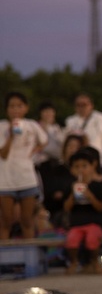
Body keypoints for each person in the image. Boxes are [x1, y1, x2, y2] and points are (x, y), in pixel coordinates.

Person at [0, 92, 48, 239]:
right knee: (6, 220)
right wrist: (11, 136)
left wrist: (36, 150)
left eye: (19, 106)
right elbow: (3, 154)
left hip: (27, 178)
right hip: (5, 181)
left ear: (26, 108)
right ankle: (4, 258)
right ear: (7, 109)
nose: (15, 110)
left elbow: (44, 140)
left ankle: (30, 257)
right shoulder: (2, 126)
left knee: (27, 220)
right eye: (12, 106)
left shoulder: (32, 125)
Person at [63, 147, 102, 274]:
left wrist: (89, 195)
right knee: (71, 240)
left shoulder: (97, 185)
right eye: (77, 166)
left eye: (84, 166)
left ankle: (94, 261)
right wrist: (73, 195)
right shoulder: (70, 185)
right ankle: (74, 262)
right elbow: (66, 208)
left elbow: (100, 207)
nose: (81, 169)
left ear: (92, 167)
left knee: (92, 239)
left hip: (94, 223)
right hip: (76, 223)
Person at [64, 94, 102, 166]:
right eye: (78, 105)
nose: (81, 108)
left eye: (84, 105)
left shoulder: (100, 118)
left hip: (97, 159)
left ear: (91, 105)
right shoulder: (70, 121)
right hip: (78, 161)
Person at [33, 101, 64, 167]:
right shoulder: (35, 127)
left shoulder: (57, 128)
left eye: (51, 111)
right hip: (38, 162)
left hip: (55, 162)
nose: (48, 114)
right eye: (46, 112)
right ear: (41, 113)